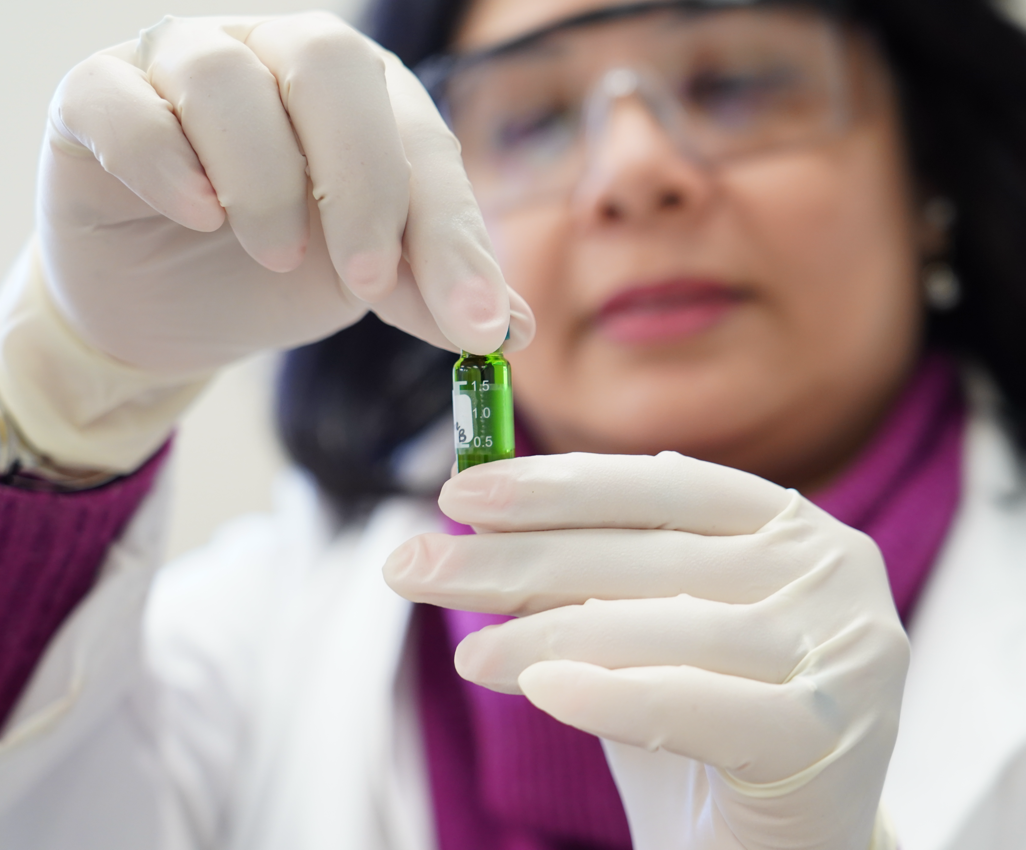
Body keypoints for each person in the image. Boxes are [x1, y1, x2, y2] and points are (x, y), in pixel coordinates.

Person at [0, 0, 1025, 846]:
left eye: (735, 86)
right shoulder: (258, 640)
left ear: (927, 165)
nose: (632, 173)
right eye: (533, 121)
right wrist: (63, 407)